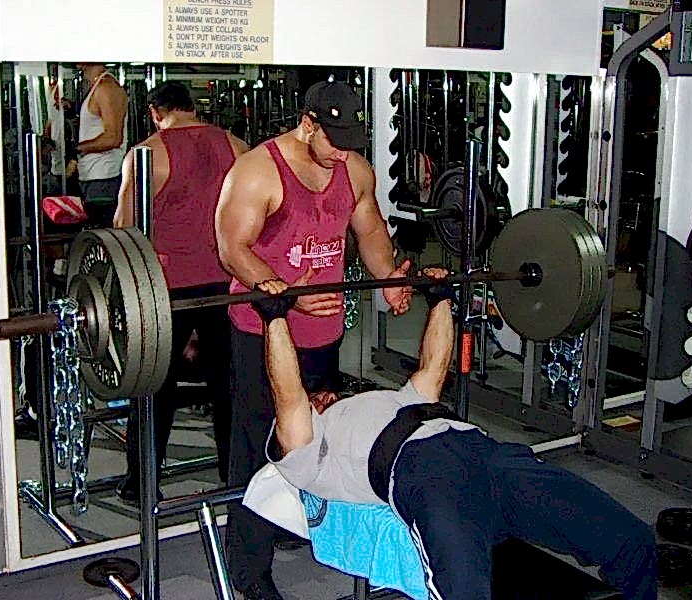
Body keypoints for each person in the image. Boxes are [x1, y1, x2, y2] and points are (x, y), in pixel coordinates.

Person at [254, 269, 658, 600]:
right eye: (315, 398)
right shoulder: (309, 449)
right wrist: (276, 317)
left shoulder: (390, 399)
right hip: (428, 477)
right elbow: (289, 396)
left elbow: (434, 367)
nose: (323, 395)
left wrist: (441, 299)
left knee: (632, 540)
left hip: (492, 454)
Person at [215, 80, 412, 599]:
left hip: (323, 332)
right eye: (334, 140)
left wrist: (388, 278)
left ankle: (296, 520)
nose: (342, 152)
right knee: (258, 448)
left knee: (316, 437)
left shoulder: (354, 170)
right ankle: (248, 570)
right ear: (308, 124)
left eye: (350, 142)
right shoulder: (258, 170)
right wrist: (282, 293)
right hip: (264, 331)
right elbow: (232, 247)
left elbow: (370, 230)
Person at [113, 81, 248, 502]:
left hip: (168, 288)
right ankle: (235, 476)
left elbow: (123, 227)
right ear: (193, 108)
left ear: (156, 112)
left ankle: (141, 483)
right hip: (226, 282)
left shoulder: (147, 153)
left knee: (154, 384)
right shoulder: (237, 146)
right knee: (230, 384)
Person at [76, 63, 128, 227]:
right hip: (93, 176)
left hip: (104, 177)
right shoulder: (97, 86)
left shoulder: (106, 88)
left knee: (102, 234)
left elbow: (113, 138)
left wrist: (77, 148)